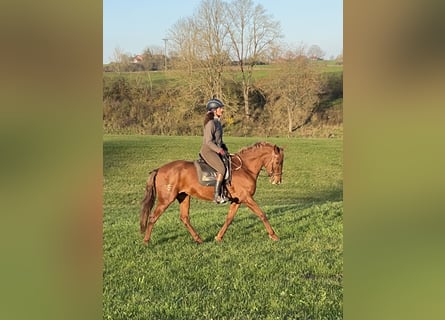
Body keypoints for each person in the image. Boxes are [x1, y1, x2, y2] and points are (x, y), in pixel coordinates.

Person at [200, 98, 229, 204]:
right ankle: (216, 196)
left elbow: (218, 140)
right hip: (208, 151)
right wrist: (219, 150)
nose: (222, 110)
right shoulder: (211, 123)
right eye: (220, 108)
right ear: (214, 110)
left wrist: (224, 148)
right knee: (221, 169)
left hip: (216, 150)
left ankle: (225, 192)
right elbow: (208, 141)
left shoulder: (217, 122)